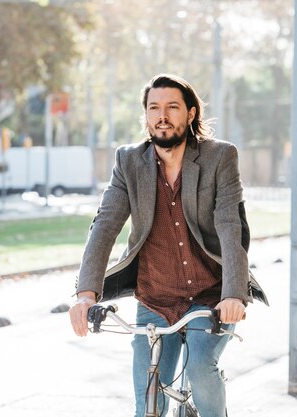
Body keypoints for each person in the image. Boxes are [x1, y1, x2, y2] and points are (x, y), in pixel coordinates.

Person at [69, 73, 268, 417]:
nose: (162, 116)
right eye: (154, 108)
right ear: (146, 114)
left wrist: (233, 295)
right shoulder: (128, 162)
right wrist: (86, 294)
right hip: (155, 299)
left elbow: (230, 227)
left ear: (190, 114)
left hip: (211, 297)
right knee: (148, 398)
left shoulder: (219, 157)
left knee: (200, 369)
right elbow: (104, 226)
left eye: (172, 107)